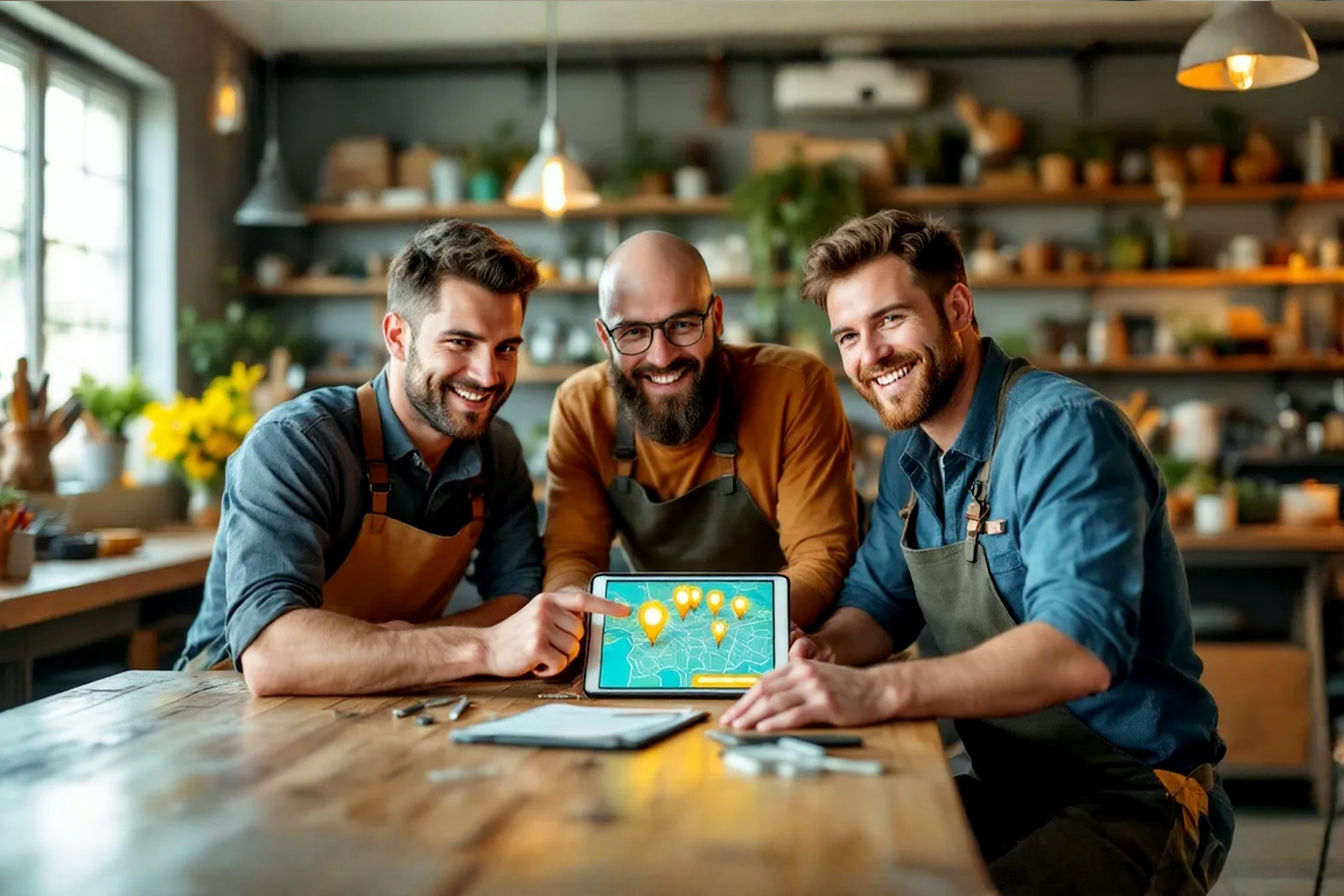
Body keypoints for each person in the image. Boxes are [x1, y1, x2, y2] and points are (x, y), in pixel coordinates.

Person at [722, 210, 1232, 895]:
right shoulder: (909, 453)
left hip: (1138, 800)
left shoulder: (1062, 432)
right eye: (848, 335)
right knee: (822, 860)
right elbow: (877, 602)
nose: (869, 355)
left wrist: (875, 690)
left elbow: (1077, 647)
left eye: (891, 320)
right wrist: (817, 657)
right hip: (1012, 791)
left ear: (957, 306)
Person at [177, 219, 627, 694]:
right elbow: (273, 655)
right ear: (397, 336)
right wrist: (483, 647)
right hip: (221, 705)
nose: (488, 374)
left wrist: (401, 647)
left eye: (506, 348)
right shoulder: (296, 444)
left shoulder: (497, 450)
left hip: (385, 700)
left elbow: (519, 604)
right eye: (460, 342)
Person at [542, 231, 857, 626]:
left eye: (683, 324)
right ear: (605, 339)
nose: (662, 356)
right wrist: (569, 611)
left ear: (717, 318)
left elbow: (821, 559)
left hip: (790, 646)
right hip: (664, 650)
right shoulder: (582, 408)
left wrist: (720, 636)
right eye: (633, 332)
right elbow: (573, 556)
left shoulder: (793, 387)